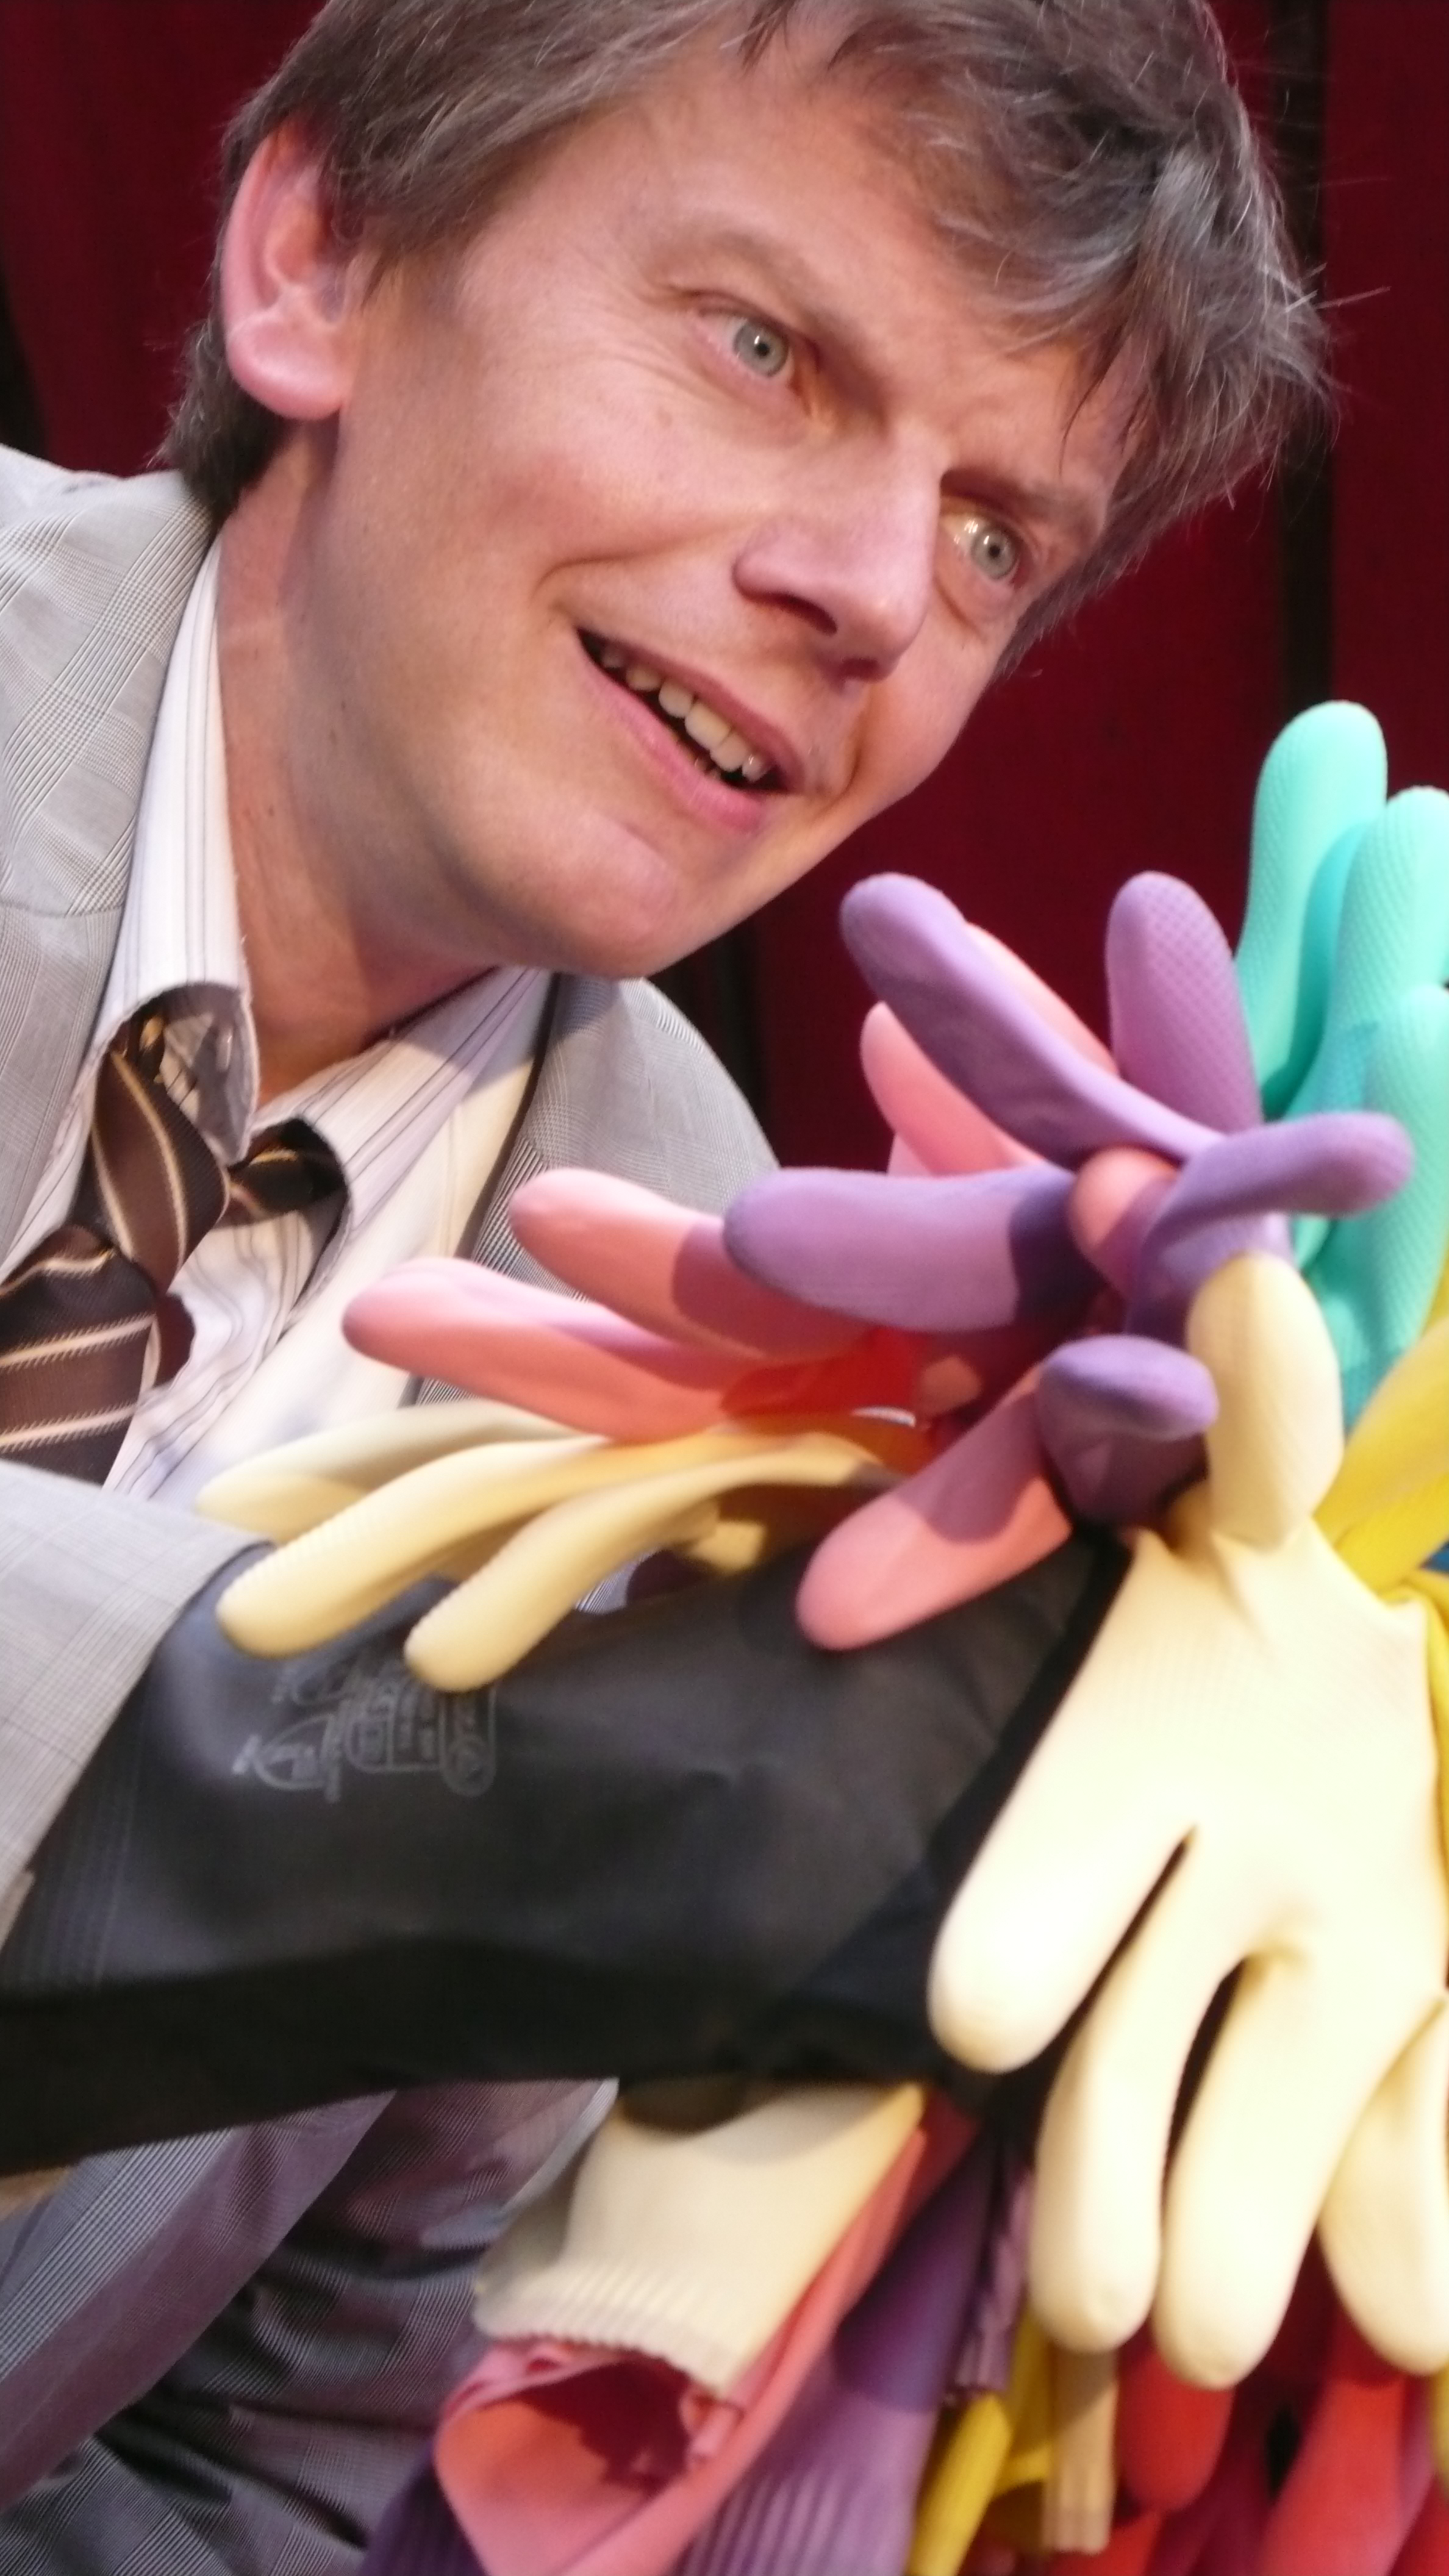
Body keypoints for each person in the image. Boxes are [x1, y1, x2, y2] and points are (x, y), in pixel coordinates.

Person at [0, 0, 1317, 2561]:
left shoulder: (739, 1383)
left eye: (993, 539)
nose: (872, 597)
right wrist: (433, 1790)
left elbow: (261, 2467)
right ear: (321, 257)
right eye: (765, 351)